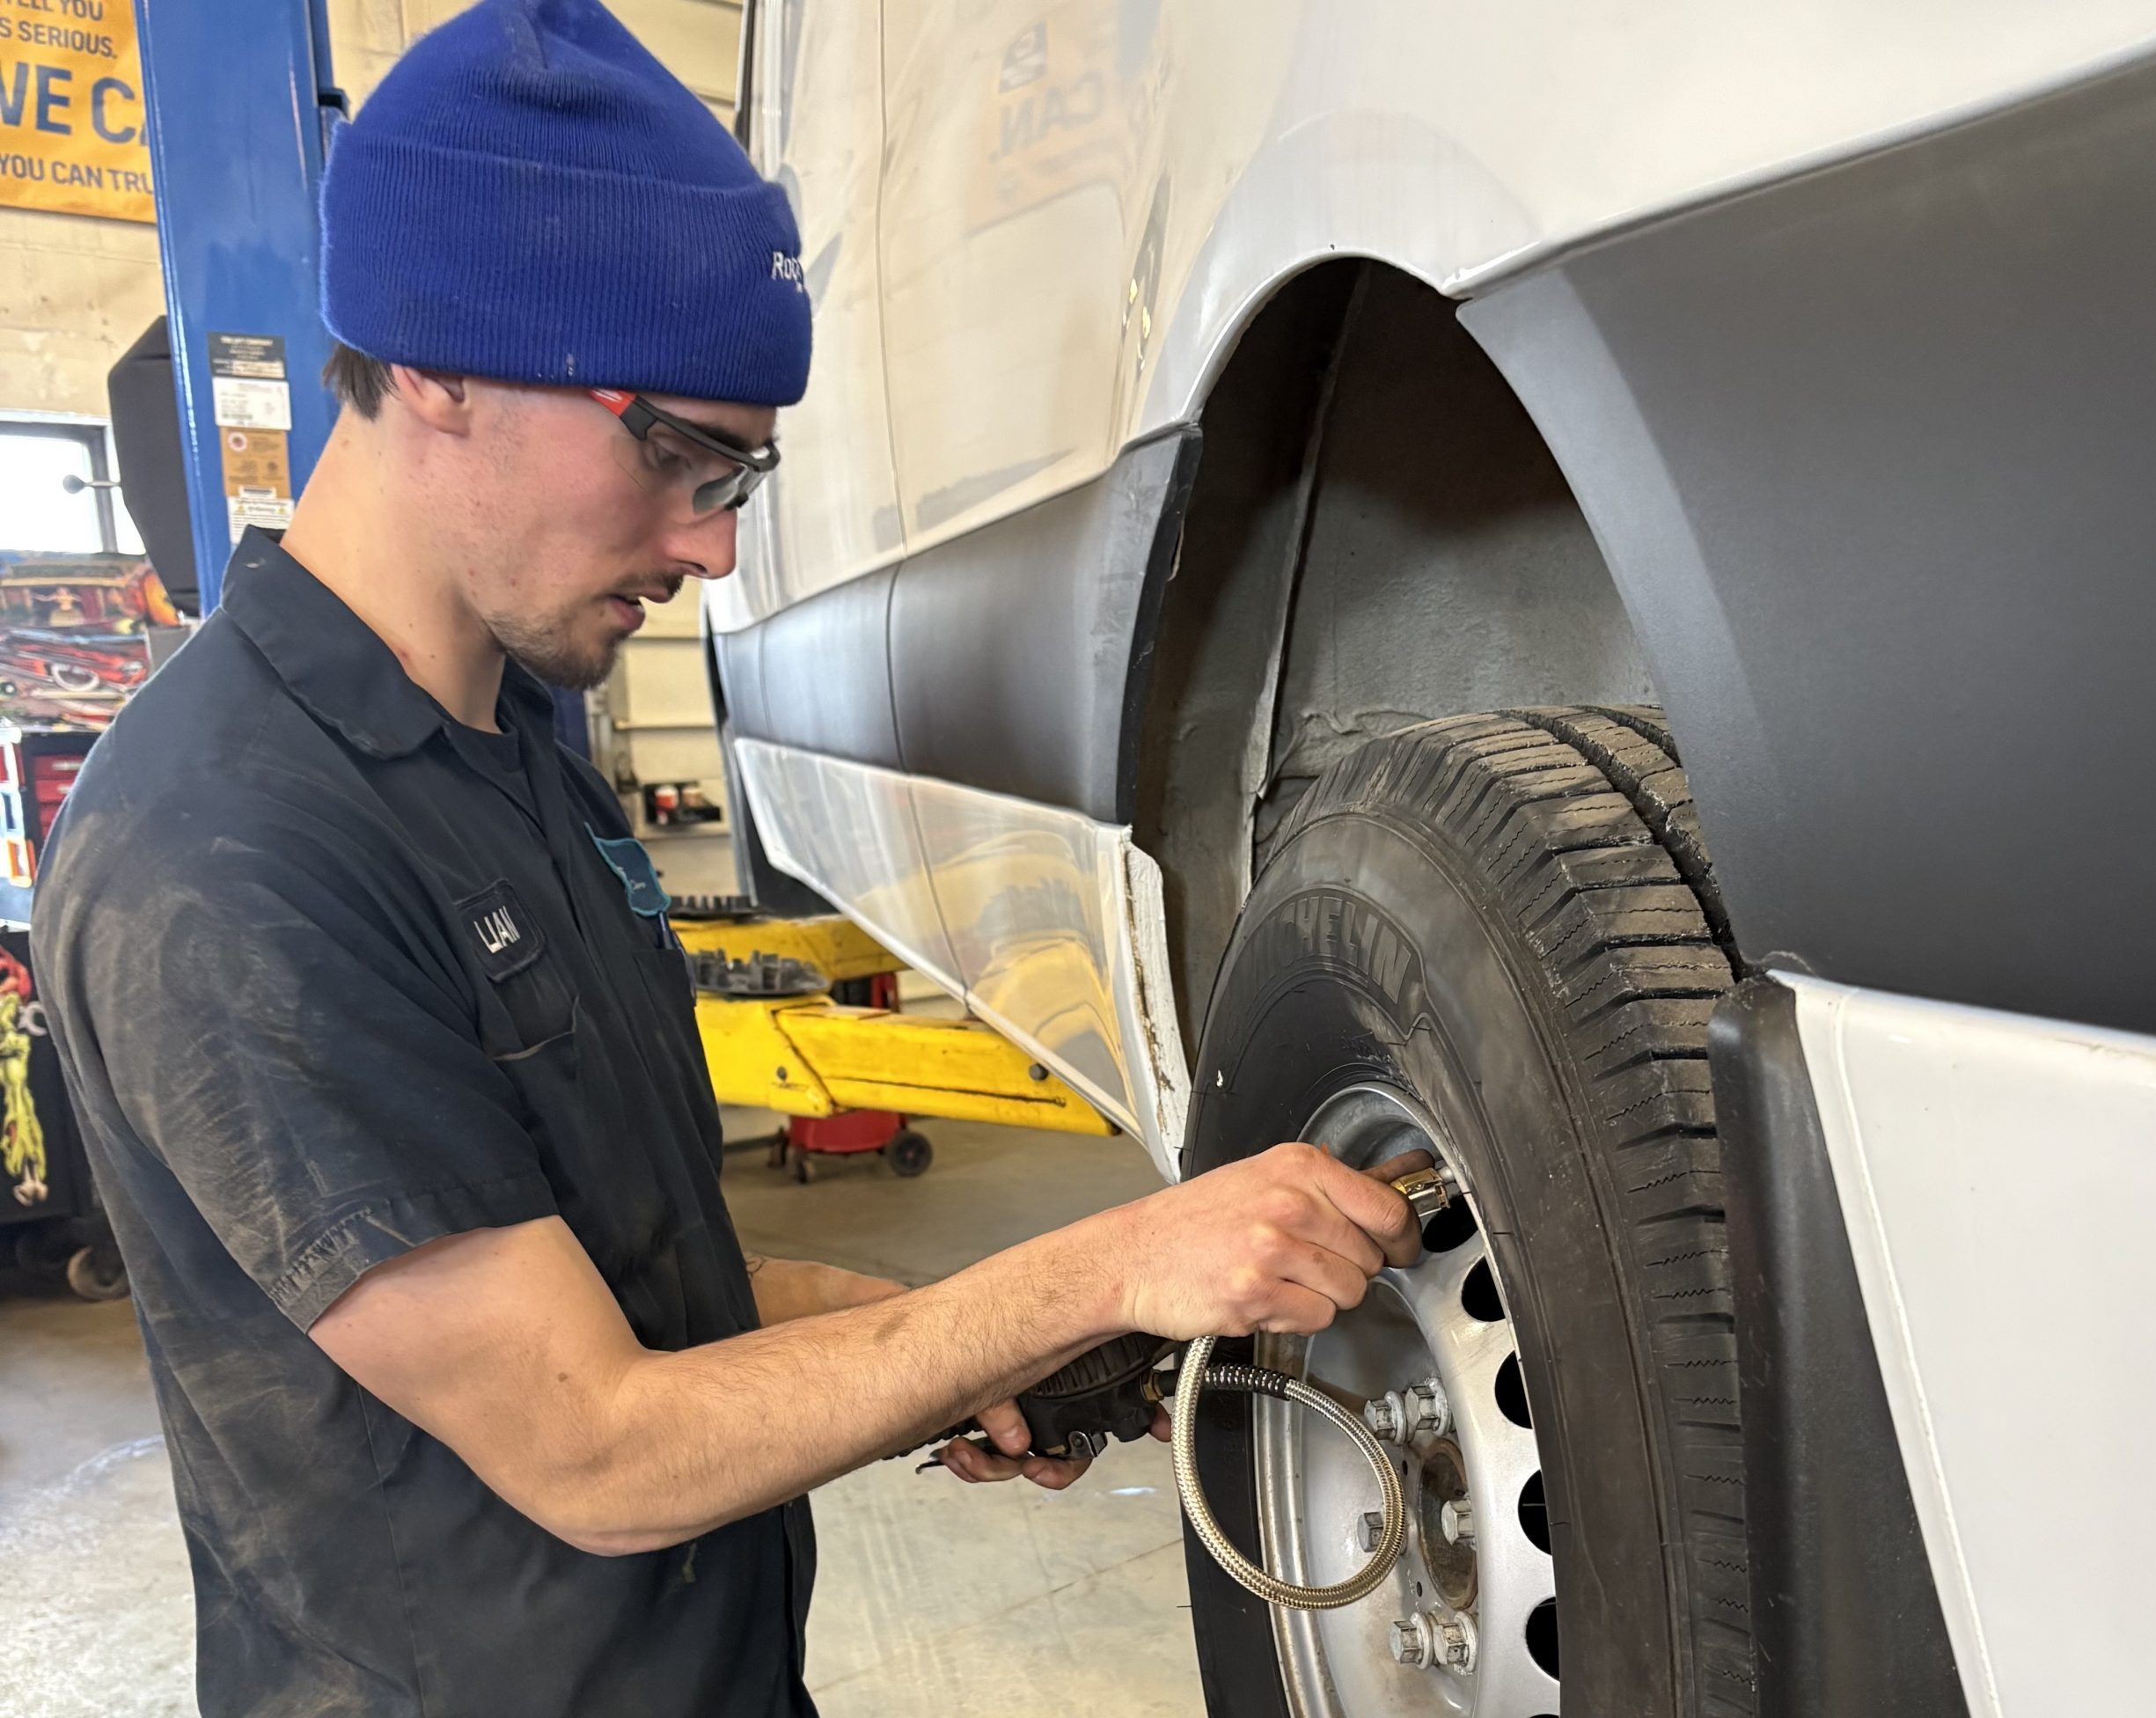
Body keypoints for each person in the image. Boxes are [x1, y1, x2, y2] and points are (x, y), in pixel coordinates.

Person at [31, 4, 1424, 1714]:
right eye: (675, 450)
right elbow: (592, 1442)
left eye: (741, 465)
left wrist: (979, 1339)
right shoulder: (232, 849)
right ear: (429, 365)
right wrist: (1103, 1260)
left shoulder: (515, 756)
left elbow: (632, 1276)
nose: (710, 539)